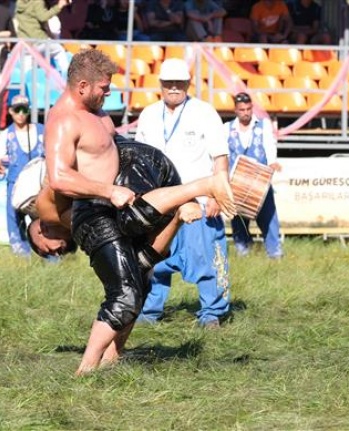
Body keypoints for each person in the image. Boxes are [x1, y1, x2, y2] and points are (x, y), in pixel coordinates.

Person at [44, 49, 235, 375]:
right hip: (93, 212)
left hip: (119, 203)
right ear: (82, 86)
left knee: (142, 278)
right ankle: (84, 373)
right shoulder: (64, 121)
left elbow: (119, 153)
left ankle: (111, 361)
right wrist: (109, 190)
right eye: (104, 88)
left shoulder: (99, 114)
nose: (109, 93)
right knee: (125, 292)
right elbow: (59, 178)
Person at [134, 58, 233, 329]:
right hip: (160, 202)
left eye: (179, 82)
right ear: (161, 85)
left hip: (198, 200)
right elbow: (140, 158)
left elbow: (220, 157)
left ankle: (212, 312)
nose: (174, 87)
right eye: (169, 83)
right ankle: (150, 311)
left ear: (188, 83)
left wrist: (215, 195)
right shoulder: (149, 114)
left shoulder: (205, 112)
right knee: (155, 257)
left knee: (206, 257)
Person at [224, 92, 283, 259]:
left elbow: (270, 146)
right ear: (235, 110)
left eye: (249, 109)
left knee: (269, 217)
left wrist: (272, 161)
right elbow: (223, 154)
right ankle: (243, 251)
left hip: (260, 182)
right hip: (236, 183)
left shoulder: (263, 125)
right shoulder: (226, 129)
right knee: (238, 219)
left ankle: (275, 252)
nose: (246, 112)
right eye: (242, 109)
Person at [0, 95, 44, 257]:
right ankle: (21, 255)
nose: (20, 113)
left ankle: (49, 253)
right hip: (16, 184)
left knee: (44, 218)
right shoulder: (6, 134)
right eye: (16, 109)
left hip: (40, 184)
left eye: (24, 109)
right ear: (10, 111)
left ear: (28, 111)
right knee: (15, 219)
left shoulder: (42, 130)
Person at [14, 0, 72, 78]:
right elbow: (43, 17)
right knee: (59, 51)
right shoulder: (38, 1)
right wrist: (59, 6)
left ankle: (27, 87)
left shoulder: (19, 2)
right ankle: (68, 78)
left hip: (25, 42)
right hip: (39, 39)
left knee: (27, 69)